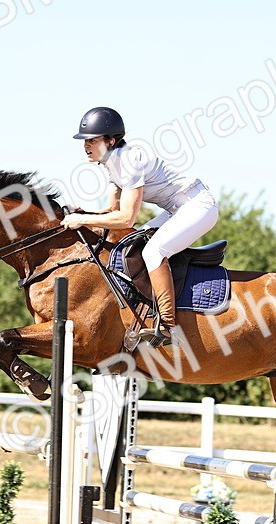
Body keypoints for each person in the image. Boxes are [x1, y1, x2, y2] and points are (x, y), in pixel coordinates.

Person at [61, 106, 219, 347]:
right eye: (85, 141)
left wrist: (81, 220)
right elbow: (112, 210)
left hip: (198, 205)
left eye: (92, 140)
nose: (86, 146)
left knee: (153, 251)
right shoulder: (111, 164)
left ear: (110, 140)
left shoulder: (129, 160)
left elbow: (126, 219)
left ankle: (168, 325)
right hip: (176, 209)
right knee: (131, 242)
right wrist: (84, 213)